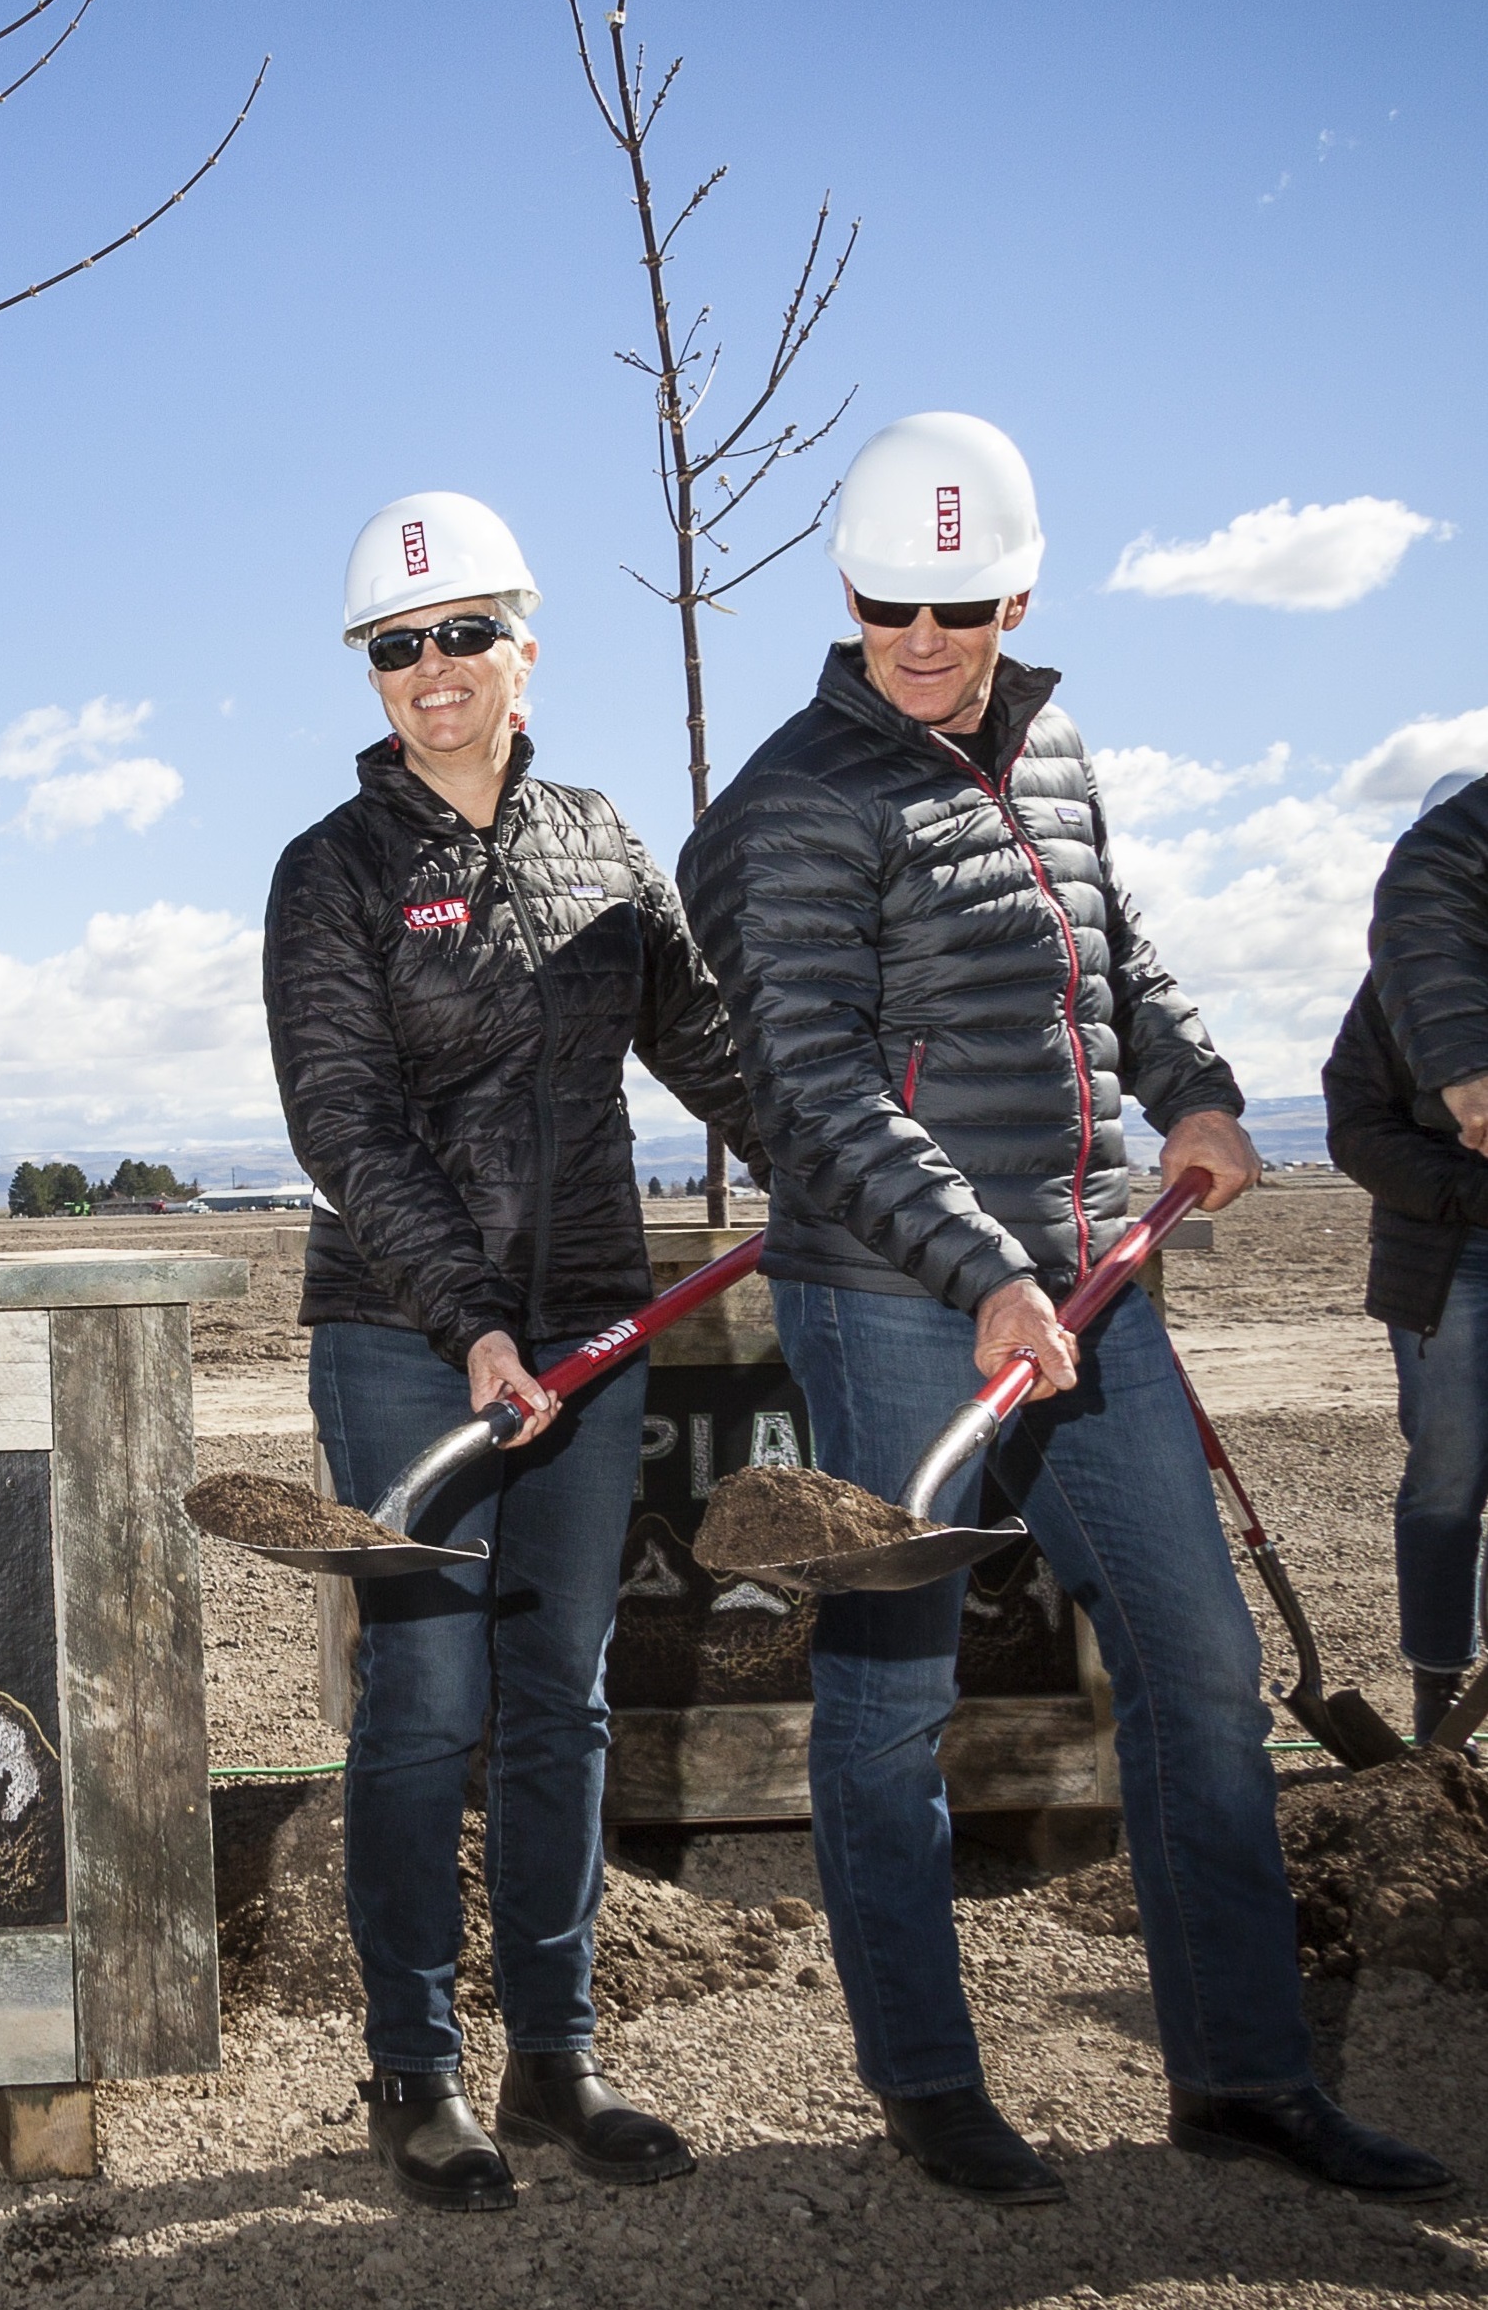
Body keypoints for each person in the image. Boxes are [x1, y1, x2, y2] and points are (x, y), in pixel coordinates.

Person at [680, 412, 1451, 2207]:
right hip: (893, 1300)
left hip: (1090, 1272)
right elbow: (809, 1085)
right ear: (847, 590)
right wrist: (985, 1271)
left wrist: (1189, 1086)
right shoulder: (788, 804)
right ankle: (929, 2084)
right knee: (889, 1701)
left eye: (957, 604)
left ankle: (1244, 2074)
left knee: (1200, 1666)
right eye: (888, 605)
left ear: (1018, 586)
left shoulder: (1054, 741)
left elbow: (1111, 948)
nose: (924, 638)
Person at [264, 491, 749, 2213]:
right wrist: (469, 1317)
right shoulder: (330, 872)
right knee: (427, 1700)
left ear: (525, 645)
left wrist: (839, 1154)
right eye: (396, 646)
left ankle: (554, 2052)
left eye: (462, 632)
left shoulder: (605, 842)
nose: (431, 669)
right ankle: (414, 2067)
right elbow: (344, 1122)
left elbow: (705, 1044)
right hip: (408, 1338)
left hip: (595, 1331)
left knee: (562, 1694)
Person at [1333, 769, 1488, 1746]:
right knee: (1447, 1475)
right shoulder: (1400, 994)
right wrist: (1471, 1191)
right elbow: (1354, 1127)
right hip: (1449, 1267)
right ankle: (1440, 1701)